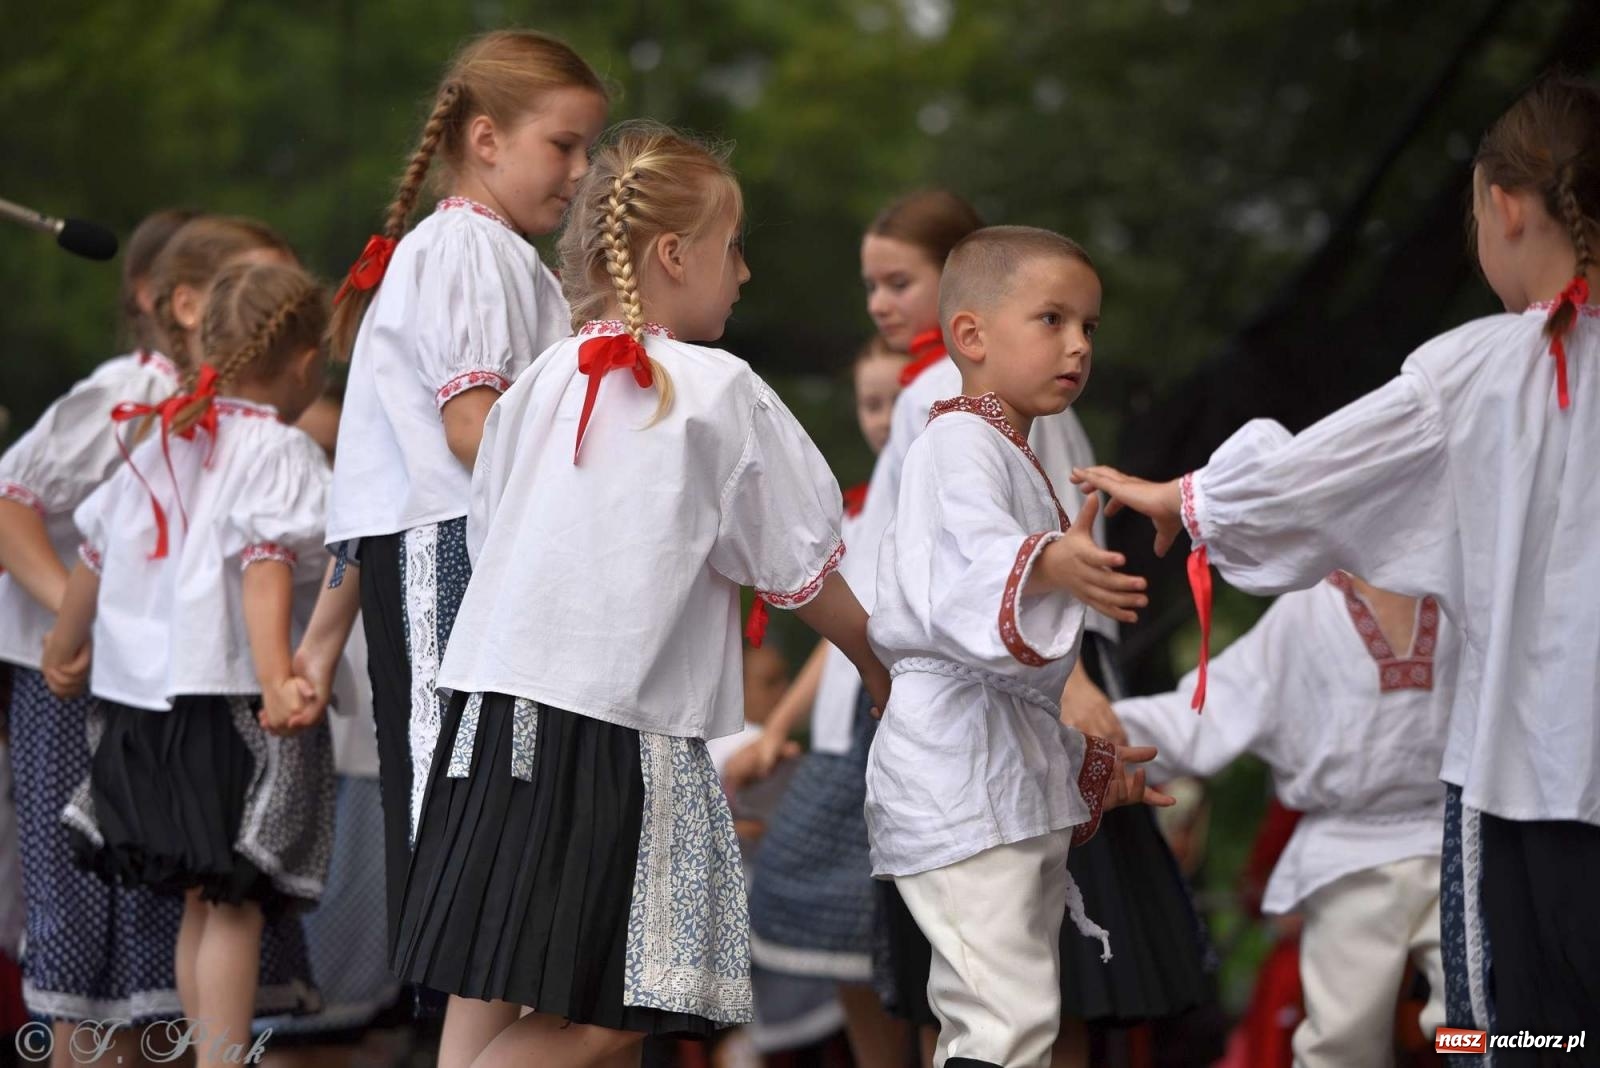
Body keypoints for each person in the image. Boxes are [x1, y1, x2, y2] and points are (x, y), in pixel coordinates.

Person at [1071, 75, 1600, 1056]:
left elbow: (1311, 476)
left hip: (1529, 783)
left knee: (1519, 1034)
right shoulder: (1488, 378)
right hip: (1402, 835)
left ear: (1506, 207)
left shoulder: (1483, 370)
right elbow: (1220, 695)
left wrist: (1183, 500)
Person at [388, 120, 889, 1068]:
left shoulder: (537, 380)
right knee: (640, 990)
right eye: (734, 247)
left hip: (491, 713)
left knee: (490, 978)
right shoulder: (715, 390)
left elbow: (493, 533)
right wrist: (873, 659)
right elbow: (801, 568)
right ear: (673, 253)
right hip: (610, 723)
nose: (743, 275)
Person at [290, 29, 609, 1064]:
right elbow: (474, 428)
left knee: (485, 802)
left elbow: (367, 495)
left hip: (459, 552)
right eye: (563, 146)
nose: (579, 172)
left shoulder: (491, 254)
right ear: (484, 137)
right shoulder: (466, 247)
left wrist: (322, 638)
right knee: (458, 805)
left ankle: (471, 1023)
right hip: (450, 557)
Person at [0, 212, 311, 1066]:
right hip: (82, 688)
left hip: (179, 701)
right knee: (88, 925)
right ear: (178, 304)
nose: (265, 310)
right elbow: (12, 500)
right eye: (250, 290)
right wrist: (86, 619)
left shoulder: (235, 422)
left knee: (183, 910)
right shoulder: (124, 396)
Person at [865, 224, 1169, 1068]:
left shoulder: (1008, 449)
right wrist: (1046, 560)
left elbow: (1004, 657)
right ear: (971, 335)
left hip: (988, 773)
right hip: (956, 775)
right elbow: (972, 576)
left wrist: (1085, 768)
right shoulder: (958, 443)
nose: (1077, 345)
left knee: (1006, 1016)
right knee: (1003, 1021)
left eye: (1089, 328)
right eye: (1052, 319)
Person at [1112, 574, 1454, 1066]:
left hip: (1457, 845)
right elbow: (1205, 713)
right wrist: (1096, 737)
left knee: (1481, 1026)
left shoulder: (1462, 584)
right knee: (1341, 1040)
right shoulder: (1306, 613)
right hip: (1346, 855)